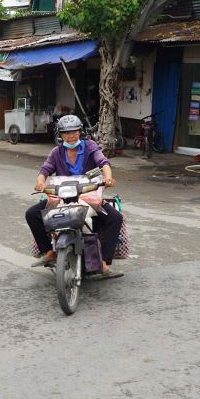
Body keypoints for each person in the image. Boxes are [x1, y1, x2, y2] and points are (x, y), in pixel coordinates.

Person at [26, 114, 124, 277]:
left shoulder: (90, 146)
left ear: (80, 132)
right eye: (66, 132)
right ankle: (49, 253)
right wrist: (41, 182)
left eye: (74, 132)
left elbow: (103, 162)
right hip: (62, 197)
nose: (71, 136)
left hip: (89, 195)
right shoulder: (56, 152)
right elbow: (44, 170)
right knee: (32, 214)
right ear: (60, 135)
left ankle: (104, 262)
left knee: (116, 218)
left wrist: (108, 177)